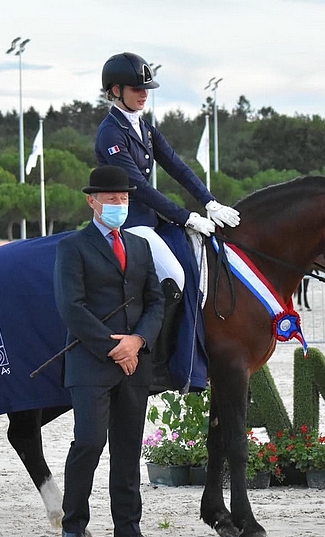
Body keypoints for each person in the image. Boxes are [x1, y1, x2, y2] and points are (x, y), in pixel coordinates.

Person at [95, 51, 241, 392]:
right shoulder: (110, 133)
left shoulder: (143, 128)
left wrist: (209, 202)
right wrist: (186, 215)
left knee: (197, 259)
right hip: (128, 222)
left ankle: (191, 353)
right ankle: (161, 358)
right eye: (135, 88)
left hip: (152, 220)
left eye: (146, 88)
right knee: (174, 274)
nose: (143, 94)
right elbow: (139, 188)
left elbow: (178, 167)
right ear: (115, 91)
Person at [54, 165, 165, 537]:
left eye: (124, 198)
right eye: (112, 198)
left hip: (135, 364)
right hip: (91, 363)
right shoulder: (73, 246)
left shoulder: (139, 246)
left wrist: (138, 341)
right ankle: (73, 527)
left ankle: (128, 531)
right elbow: (71, 306)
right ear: (92, 200)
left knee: (127, 448)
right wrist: (111, 347)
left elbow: (155, 301)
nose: (119, 204)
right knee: (88, 443)